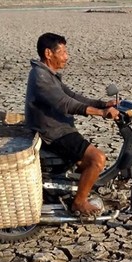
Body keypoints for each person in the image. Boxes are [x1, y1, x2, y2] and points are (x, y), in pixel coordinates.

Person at [25, 32, 119, 217]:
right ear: (48, 53)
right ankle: (79, 202)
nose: (66, 56)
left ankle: (77, 190)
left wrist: (103, 104)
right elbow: (65, 104)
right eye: (63, 52)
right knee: (98, 159)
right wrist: (100, 113)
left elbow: (72, 96)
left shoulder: (48, 74)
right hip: (54, 133)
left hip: (59, 128)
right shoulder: (40, 77)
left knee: (87, 161)